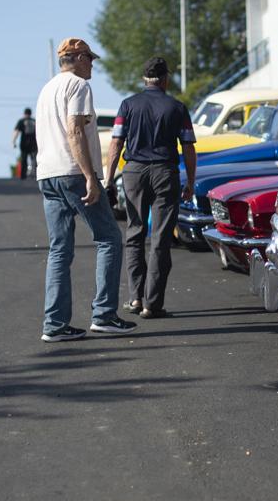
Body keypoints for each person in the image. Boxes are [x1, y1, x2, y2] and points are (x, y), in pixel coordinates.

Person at [34, 37, 136, 342]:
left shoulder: (46, 89)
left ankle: (54, 325)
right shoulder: (77, 86)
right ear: (77, 57)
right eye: (89, 58)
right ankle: (104, 315)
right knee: (108, 238)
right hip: (72, 173)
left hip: (47, 175)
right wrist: (91, 176)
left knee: (59, 249)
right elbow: (74, 130)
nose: (92, 64)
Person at [104, 57, 196, 319]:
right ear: (165, 78)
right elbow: (188, 147)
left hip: (134, 172)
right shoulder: (177, 108)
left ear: (145, 79)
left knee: (134, 234)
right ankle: (152, 304)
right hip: (165, 173)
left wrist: (109, 179)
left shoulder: (128, 105)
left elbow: (116, 143)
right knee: (160, 238)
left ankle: (134, 297)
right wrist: (190, 181)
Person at [12, 107, 38, 179]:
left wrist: (13, 141)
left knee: (24, 159)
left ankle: (23, 176)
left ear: (24, 113)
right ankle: (36, 175)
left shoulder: (21, 121)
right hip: (34, 144)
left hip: (24, 144)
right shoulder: (34, 121)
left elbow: (16, 132)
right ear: (30, 113)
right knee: (34, 159)